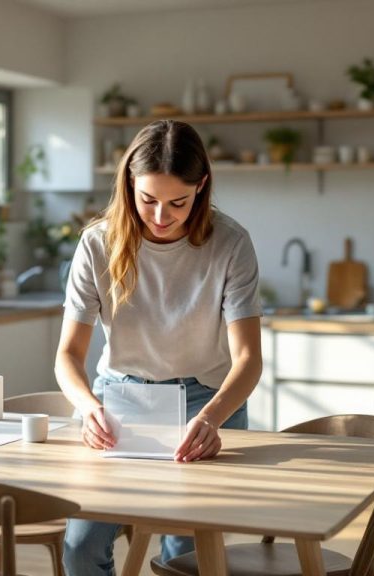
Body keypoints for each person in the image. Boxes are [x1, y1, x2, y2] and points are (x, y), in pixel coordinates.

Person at [55, 119, 263, 576]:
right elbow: (68, 355)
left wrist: (211, 418)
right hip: (118, 402)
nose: (162, 216)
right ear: (129, 184)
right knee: (80, 547)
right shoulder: (97, 243)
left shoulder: (231, 243)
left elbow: (248, 359)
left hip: (205, 404)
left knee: (184, 558)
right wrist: (88, 407)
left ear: (201, 186)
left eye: (178, 202)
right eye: (148, 199)